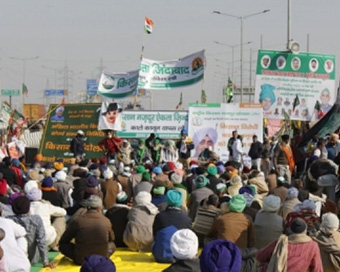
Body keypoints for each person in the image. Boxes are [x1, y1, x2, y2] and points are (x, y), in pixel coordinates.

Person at [59, 195, 116, 265]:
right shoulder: (106, 221)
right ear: (99, 208)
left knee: (63, 245)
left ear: (86, 207)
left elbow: (64, 240)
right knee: (112, 246)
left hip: (81, 259)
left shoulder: (78, 220)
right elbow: (112, 239)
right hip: (102, 257)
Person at [256, 218, 323, 272]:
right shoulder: (313, 246)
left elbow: (259, 256)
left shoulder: (280, 242)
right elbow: (317, 269)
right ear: (305, 231)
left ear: (289, 230)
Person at [8, 196, 55, 268]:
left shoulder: (8, 220)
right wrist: (45, 262)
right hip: (33, 259)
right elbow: (41, 241)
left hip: (14, 259)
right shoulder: (36, 219)